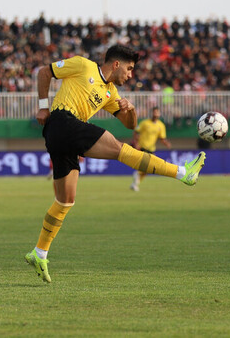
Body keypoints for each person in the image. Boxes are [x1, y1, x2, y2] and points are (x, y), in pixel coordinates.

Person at [24, 45, 206, 283]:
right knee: (121, 150)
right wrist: (43, 106)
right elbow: (43, 72)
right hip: (63, 121)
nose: (130, 75)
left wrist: (130, 110)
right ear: (116, 64)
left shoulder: (111, 93)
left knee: (65, 201)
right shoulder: (83, 65)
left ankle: (39, 253)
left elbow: (130, 125)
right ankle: (183, 173)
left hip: (61, 137)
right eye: (129, 69)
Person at [130, 106, 172, 191]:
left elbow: (162, 138)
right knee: (148, 167)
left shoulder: (161, 125)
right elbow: (136, 132)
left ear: (159, 114)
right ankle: (136, 178)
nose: (156, 114)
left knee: (148, 170)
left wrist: (166, 143)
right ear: (152, 113)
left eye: (157, 112)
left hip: (151, 149)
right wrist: (136, 143)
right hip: (142, 147)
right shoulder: (145, 123)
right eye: (154, 112)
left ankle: (135, 183)